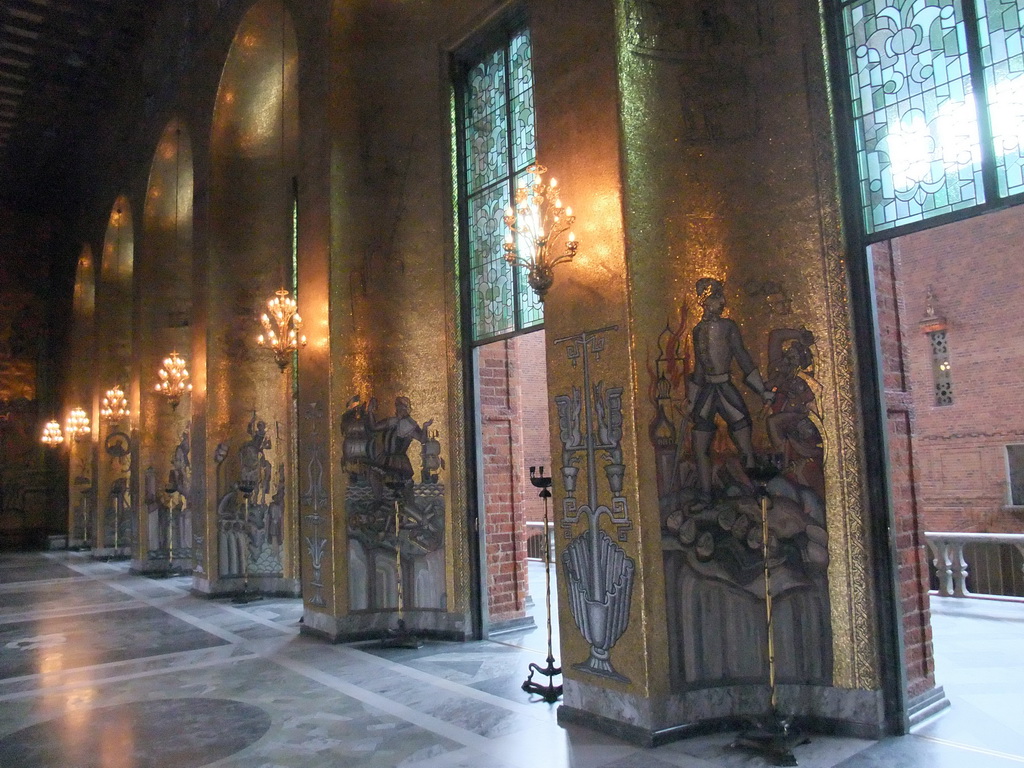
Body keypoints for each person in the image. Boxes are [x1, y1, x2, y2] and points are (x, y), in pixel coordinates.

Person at [687, 277, 773, 500]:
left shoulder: (728, 327)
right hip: (707, 392)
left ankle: (756, 491)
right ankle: (706, 496)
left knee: (744, 441)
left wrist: (761, 390)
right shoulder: (697, 331)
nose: (723, 301)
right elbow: (698, 368)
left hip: (725, 388)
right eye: (717, 297)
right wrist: (690, 399)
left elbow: (742, 358)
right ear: (705, 301)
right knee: (699, 445)